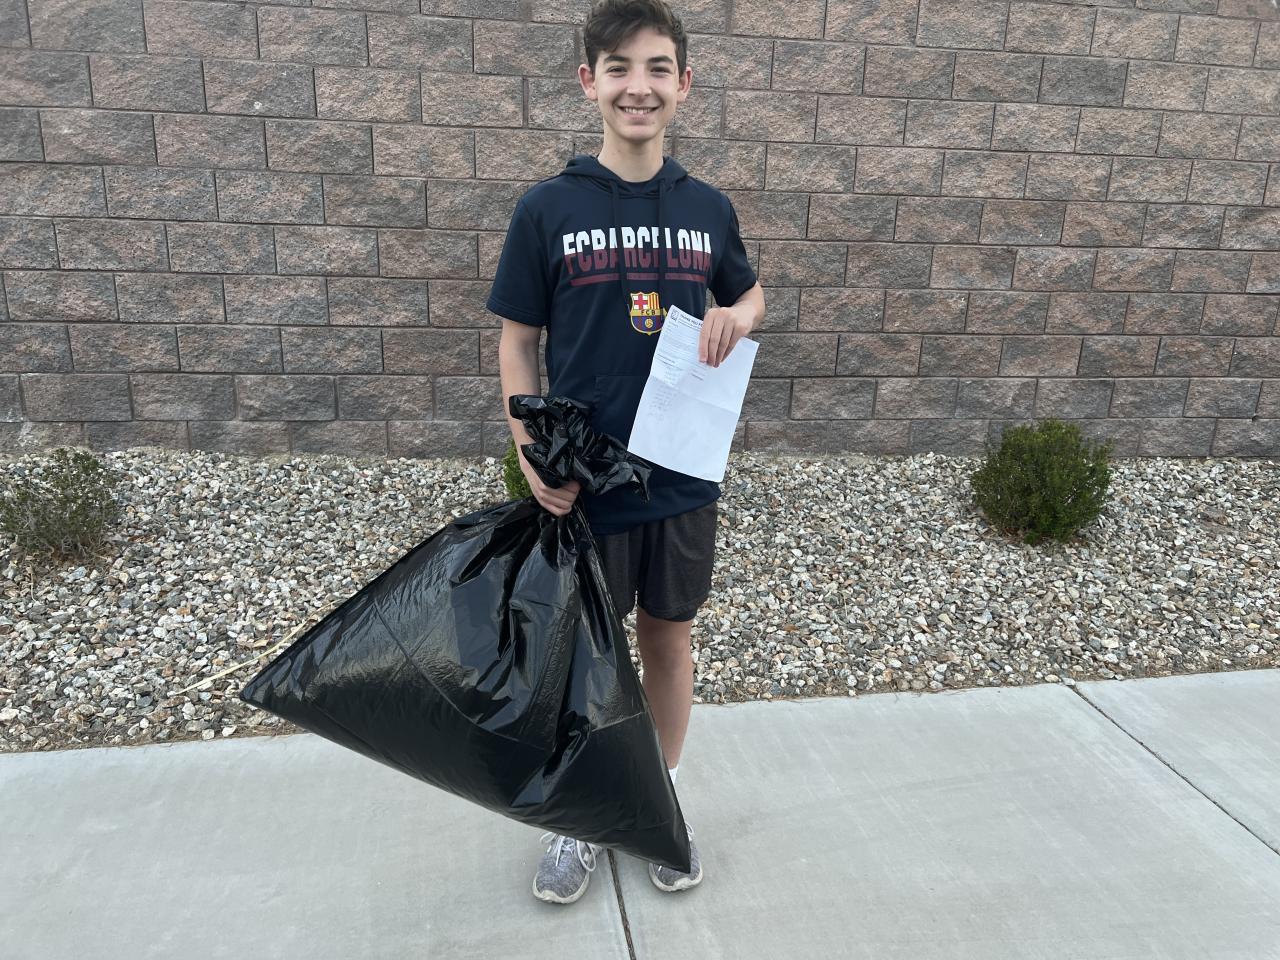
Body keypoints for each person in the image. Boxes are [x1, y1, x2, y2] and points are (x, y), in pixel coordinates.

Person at [488, 0, 766, 904]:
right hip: (586, 481)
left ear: (684, 85)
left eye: (656, 68)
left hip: (681, 473)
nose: (637, 87)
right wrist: (531, 451)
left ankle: (659, 803)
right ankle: (582, 815)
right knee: (588, 653)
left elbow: (752, 296)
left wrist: (736, 316)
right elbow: (518, 343)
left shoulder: (706, 208)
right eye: (618, 68)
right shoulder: (548, 208)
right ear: (589, 82)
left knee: (667, 639)